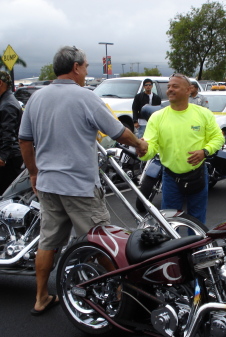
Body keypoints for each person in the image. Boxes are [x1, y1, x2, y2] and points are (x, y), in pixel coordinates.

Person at [19, 46, 148, 316]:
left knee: (48, 242)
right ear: (76, 67)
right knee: (102, 241)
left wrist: (33, 172)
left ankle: (41, 296)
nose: (87, 71)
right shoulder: (85, 97)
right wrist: (139, 144)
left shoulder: (36, 98)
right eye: (86, 66)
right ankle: (119, 295)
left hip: (48, 185)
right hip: (79, 187)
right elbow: (117, 131)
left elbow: (25, 140)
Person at [139, 73, 224, 224]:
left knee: (197, 220)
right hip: (170, 177)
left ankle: (196, 247)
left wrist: (205, 151)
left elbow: (218, 138)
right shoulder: (158, 117)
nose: (170, 89)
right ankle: (174, 247)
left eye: (175, 86)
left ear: (189, 90)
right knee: (170, 221)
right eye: (169, 86)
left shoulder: (203, 114)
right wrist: (144, 151)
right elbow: (151, 147)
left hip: (198, 174)